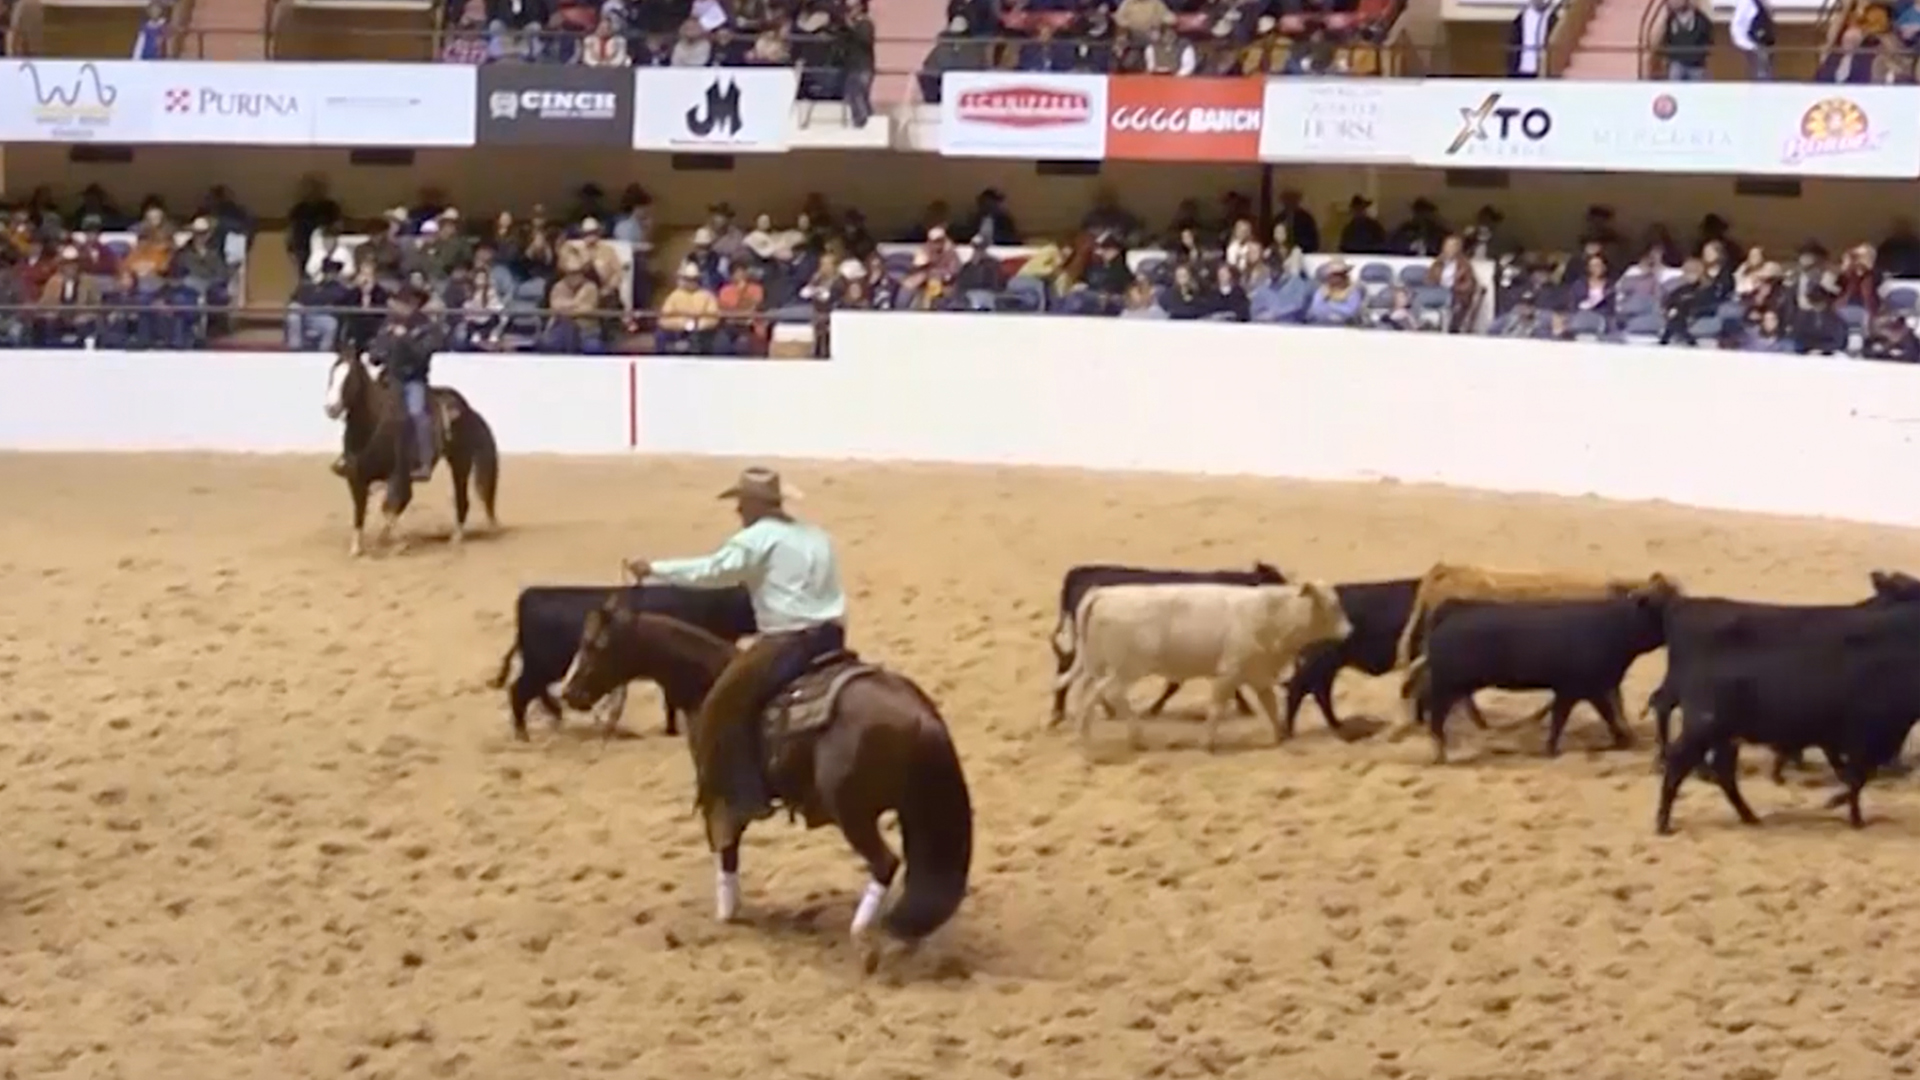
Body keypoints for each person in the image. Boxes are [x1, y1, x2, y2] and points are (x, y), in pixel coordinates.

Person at [625, 467, 848, 850]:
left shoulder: (756, 540)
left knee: (721, 705)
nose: (738, 512)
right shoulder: (816, 537)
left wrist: (655, 568)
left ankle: (745, 795)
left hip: (787, 639)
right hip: (832, 636)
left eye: (741, 504)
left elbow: (713, 571)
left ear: (754, 504)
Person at [368, 284, 441, 481]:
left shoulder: (427, 327)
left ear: (414, 304)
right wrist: (379, 351)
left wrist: (405, 339)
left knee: (417, 413)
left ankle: (424, 461)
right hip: (389, 377)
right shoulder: (389, 324)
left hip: (412, 379)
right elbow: (376, 350)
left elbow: (422, 354)